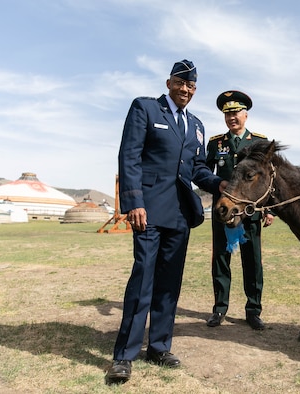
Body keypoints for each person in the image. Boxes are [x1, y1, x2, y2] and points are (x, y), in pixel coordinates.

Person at [105, 60, 227, 385]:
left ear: (195, 89)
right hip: (148, 211)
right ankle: (124, 356)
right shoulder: (145, 109)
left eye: (191, 86)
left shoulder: (197, 125)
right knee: (143, 279)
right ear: (169, 82)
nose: (185, 90)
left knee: (169, 286)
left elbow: (198, 169)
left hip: (180, 215)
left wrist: (221, 184)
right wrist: (134, 202)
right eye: (180, 83)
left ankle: (159, 347)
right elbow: (129, 156)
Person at [204, 90, 274, 330]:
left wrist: (269, 210)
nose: (231, 118)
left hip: (250, 212)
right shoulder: (216, 144)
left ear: (246, 115)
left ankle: (253, 310)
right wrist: (215, 185)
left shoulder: (259, 143)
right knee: (221, 260)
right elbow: (203, 174)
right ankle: (219, 309)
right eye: (227, 114)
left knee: (252, 262)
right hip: (223, 212)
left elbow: (267, 179)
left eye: (235, 113)